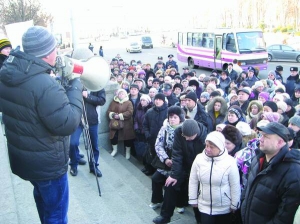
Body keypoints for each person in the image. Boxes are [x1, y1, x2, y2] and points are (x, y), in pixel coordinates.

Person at [0, 26, 84, 223]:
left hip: (26, 159)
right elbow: (68, 123)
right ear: (46, 53)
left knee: (42, 198)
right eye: (55, 48)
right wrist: (76, 84)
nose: (57, 52)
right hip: (48, 164)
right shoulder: (45, 84)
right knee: (56, 213)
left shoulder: (7, 72)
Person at [241, 122, 300, 224]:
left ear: (280, 142)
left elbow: (285, 215)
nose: (260, 139)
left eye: (266, 136)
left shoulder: (293, 171)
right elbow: (247, 189)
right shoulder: (257, 159)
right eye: (260, 135)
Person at [153, 119, 207, 224]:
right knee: (170, 184)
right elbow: (177, 154)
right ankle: (165, 216)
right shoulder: (179, 132)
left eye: (189, 137)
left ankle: (200, 220)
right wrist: (174, 175)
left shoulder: (204, 137)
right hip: (182, 166)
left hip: (199, 169)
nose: (186, 139)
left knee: (197, 193)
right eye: (184, 136)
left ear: (196, 134)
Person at [69, 48, 106, 177]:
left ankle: (94, 166)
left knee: (94, 146)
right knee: (72, 143)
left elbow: (102, 100)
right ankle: (74, 163)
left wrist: (87, 96)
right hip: (77, 118)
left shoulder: (96, 79)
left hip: (91, 119)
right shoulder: (73, 80)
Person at [189, 131, 241, 224]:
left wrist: (235, 204)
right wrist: (192, 198)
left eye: (212, 147)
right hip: (204, 205)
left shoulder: (230, 162)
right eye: (206, 146)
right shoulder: (199, 159)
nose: (208, 149)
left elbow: (235, 184)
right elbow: (193, 180)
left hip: (223, 207)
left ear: (220, 147)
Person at [150, 106, 185, 211]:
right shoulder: (164, 128)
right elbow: (158, 145)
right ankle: (157, 200)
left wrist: (175, 161)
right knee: (156, 178)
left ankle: (180, 204)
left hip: (179, 162)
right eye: (171, 117)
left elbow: (186, 149)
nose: (172, 119)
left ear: (180, 118)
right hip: (165, 160)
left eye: (175, 117)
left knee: (178, 183)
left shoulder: (184, 129)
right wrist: (165, 159)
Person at [143, 93, 168, 176]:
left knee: (160, 156)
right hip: (152, 138)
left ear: (163, 101)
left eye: (160, 100)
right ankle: (150, 169)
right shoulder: (150, 111)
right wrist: (147, 134)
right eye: (156, 99)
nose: (157, 101)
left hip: (163, 140)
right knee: (151, 154)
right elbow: (145, 125)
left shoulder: (168, 112)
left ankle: (158, 172)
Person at [107, 88, 135, 159]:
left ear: (125, 95)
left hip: (126, 123)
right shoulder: (113, 102)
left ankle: (127, 152)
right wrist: (113, 114)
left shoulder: (129, 102)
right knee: (113, 136)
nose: (121, 95)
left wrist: (120, 116)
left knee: (127, 138)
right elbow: (108, 111)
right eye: (120, 93)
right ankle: (114, 150)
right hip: (115, 123)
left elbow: (130, 112)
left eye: (122, 94)